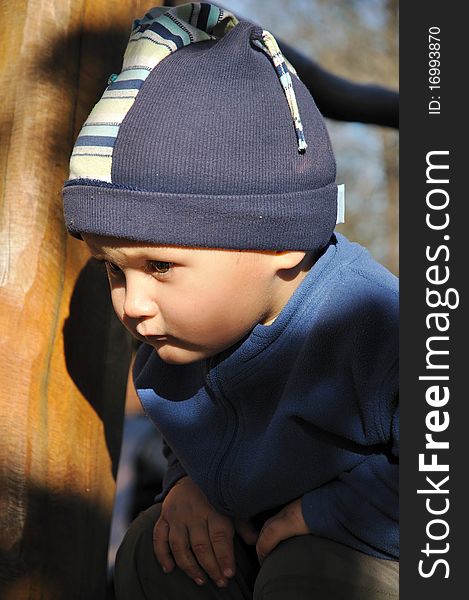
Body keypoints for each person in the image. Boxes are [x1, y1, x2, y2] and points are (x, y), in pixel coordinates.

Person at [62, 3, 399, 599]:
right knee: (160, 550)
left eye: (159, 266)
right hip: (256, 535)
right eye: (114, 270)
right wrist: (188, 486)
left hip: (378, 543)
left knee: (317, 573)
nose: (133, 305)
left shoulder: (373, 327)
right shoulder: (179, 340)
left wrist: (332, 516)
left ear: (282, 243)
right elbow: (191, 432)